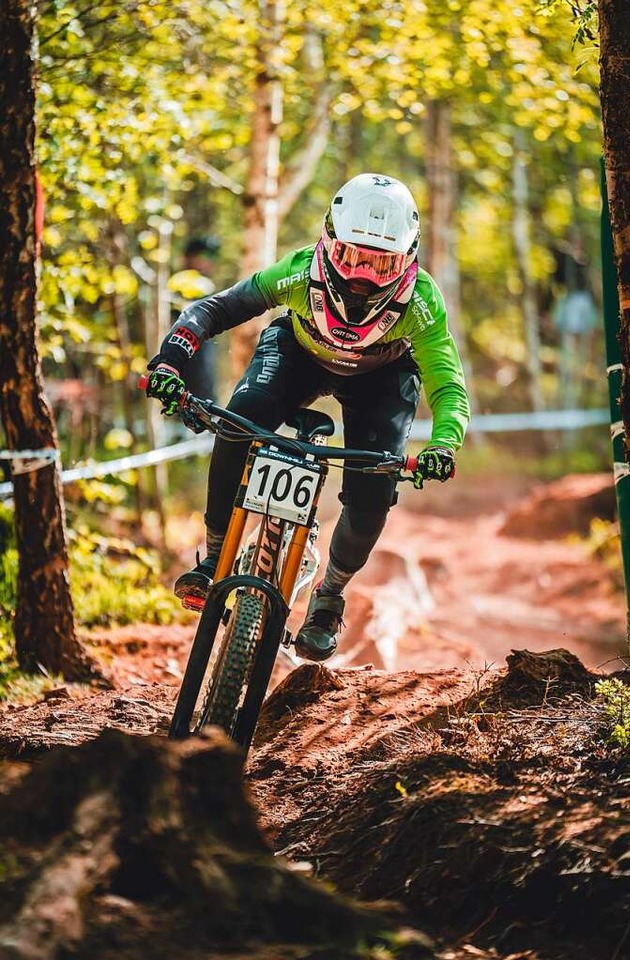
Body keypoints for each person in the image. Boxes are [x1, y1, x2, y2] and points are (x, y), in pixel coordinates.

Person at [146, 173, 470, 662]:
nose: (363, 275)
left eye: (380, 262)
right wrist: (171, 361)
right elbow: (213, 310)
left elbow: (448, 385)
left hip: (381, 378)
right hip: (297, 353)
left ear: (407, 258)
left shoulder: (421, 303)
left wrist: (443, 444)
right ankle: (216, 556)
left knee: (374, 487)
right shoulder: (300, 271)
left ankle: (329, 596)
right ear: (329, 240)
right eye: (353, 256)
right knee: (239, 420)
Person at [167, 236, 220, 401]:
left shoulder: (200, 283)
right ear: (189, 257)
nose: (209, 262)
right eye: (203, 257)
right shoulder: (184, 283)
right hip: (183, 359)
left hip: (202, 361)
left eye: (211, 257)